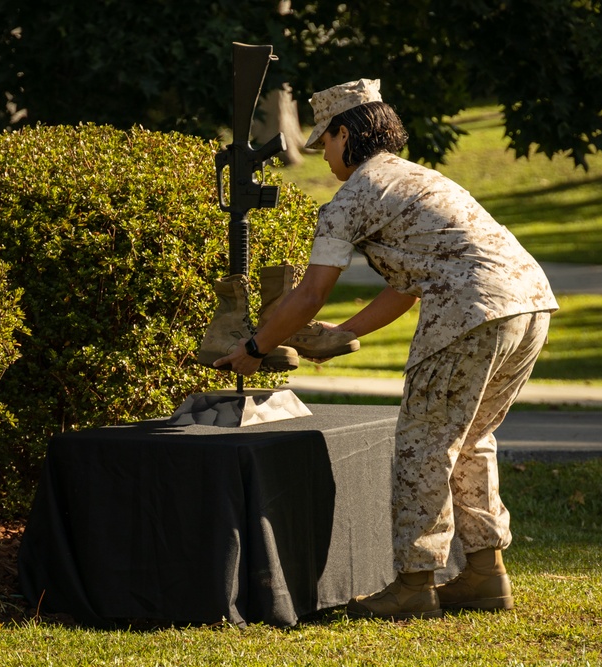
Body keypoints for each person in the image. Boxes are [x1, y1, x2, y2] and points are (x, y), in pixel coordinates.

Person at [214, 78, 559, 620]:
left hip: (469, 312)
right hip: (528, 304)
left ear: (344, 134)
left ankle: (414, 585)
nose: (324, 157)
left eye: (323, 143)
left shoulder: (352, 198)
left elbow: (309, 292)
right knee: (470, 439)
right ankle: (485, 576)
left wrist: (255, 345)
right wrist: (344, 333)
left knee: (424, 445)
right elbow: (404, 285)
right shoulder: (416, 180)